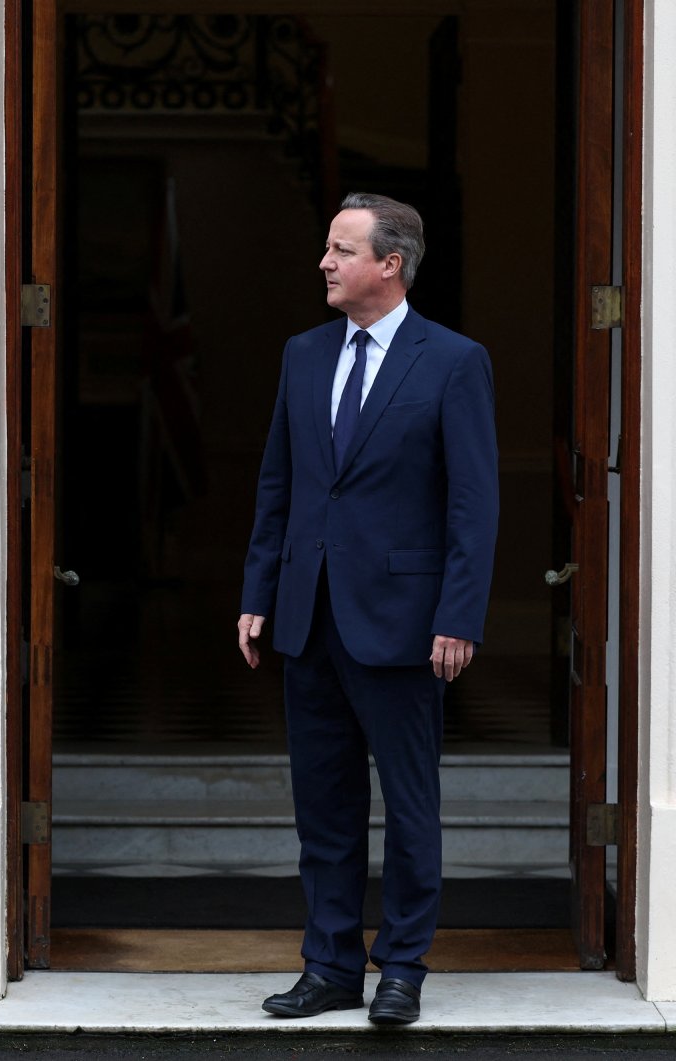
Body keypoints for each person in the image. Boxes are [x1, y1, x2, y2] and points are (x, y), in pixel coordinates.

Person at [238, 192, 499, 1024]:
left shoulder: (453, 361)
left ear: (391, 264)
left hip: (405, 623)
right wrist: (257, 596)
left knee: (410, 807)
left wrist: (458, 615)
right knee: (325, 807)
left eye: (341, 249)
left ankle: (403, 970)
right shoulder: (304, 354)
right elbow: (279, 483)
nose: (325, 262)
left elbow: (474, 502)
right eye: (328, 248)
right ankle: (328, 966)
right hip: (308, 617)